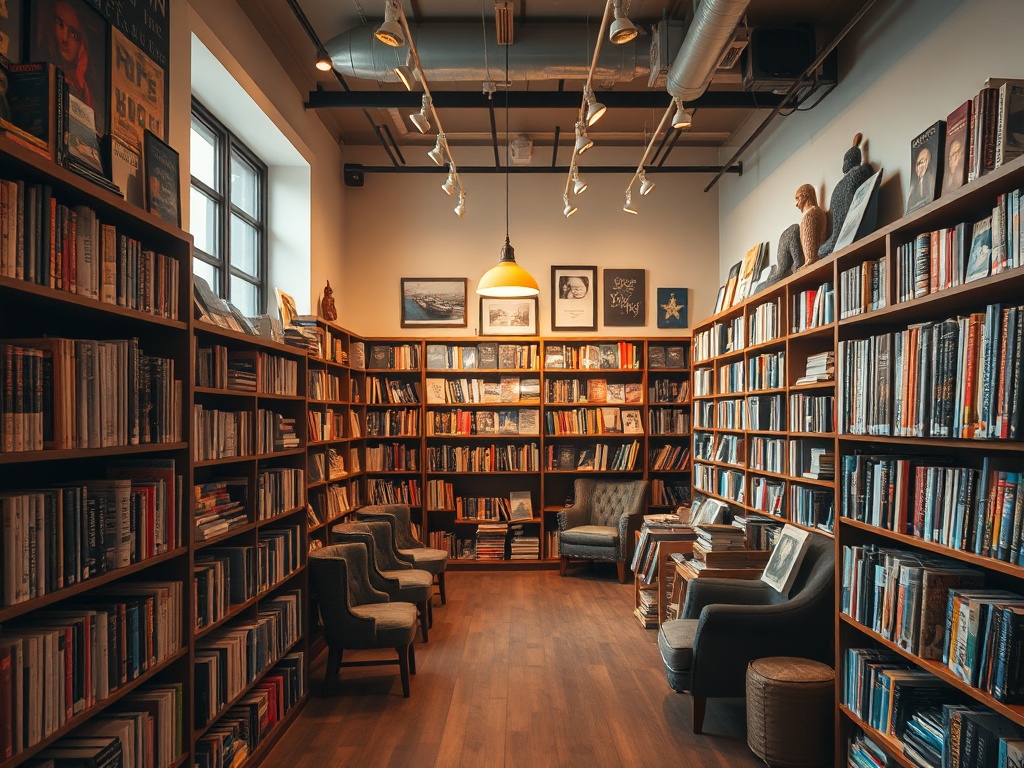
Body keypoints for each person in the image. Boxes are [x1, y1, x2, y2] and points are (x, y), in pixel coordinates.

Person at [39, 0, 95, 114]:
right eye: (60, 24)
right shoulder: (43, 71)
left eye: (74, 35)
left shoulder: (85, 91)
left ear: (84, 44)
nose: (64, 38)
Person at [906, 144, 935, 213]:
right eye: (921, 162)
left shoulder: (933, 182)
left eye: (927, 161)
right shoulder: (913, 189)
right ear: (916, 167)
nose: (924, 166)